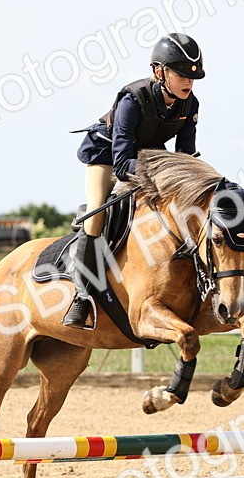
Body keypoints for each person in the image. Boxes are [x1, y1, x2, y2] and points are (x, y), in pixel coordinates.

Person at [64, 32, 205, 328]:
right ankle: (81, 296)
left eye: (192, 77)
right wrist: (164, 172)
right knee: (97, 211)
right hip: (107, 156)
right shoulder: (133, 100)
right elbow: (122, 164)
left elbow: (185, 156)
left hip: (149, 159)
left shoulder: (190, 105)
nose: (188, 82)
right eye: (181, 75)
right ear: (159, 72)